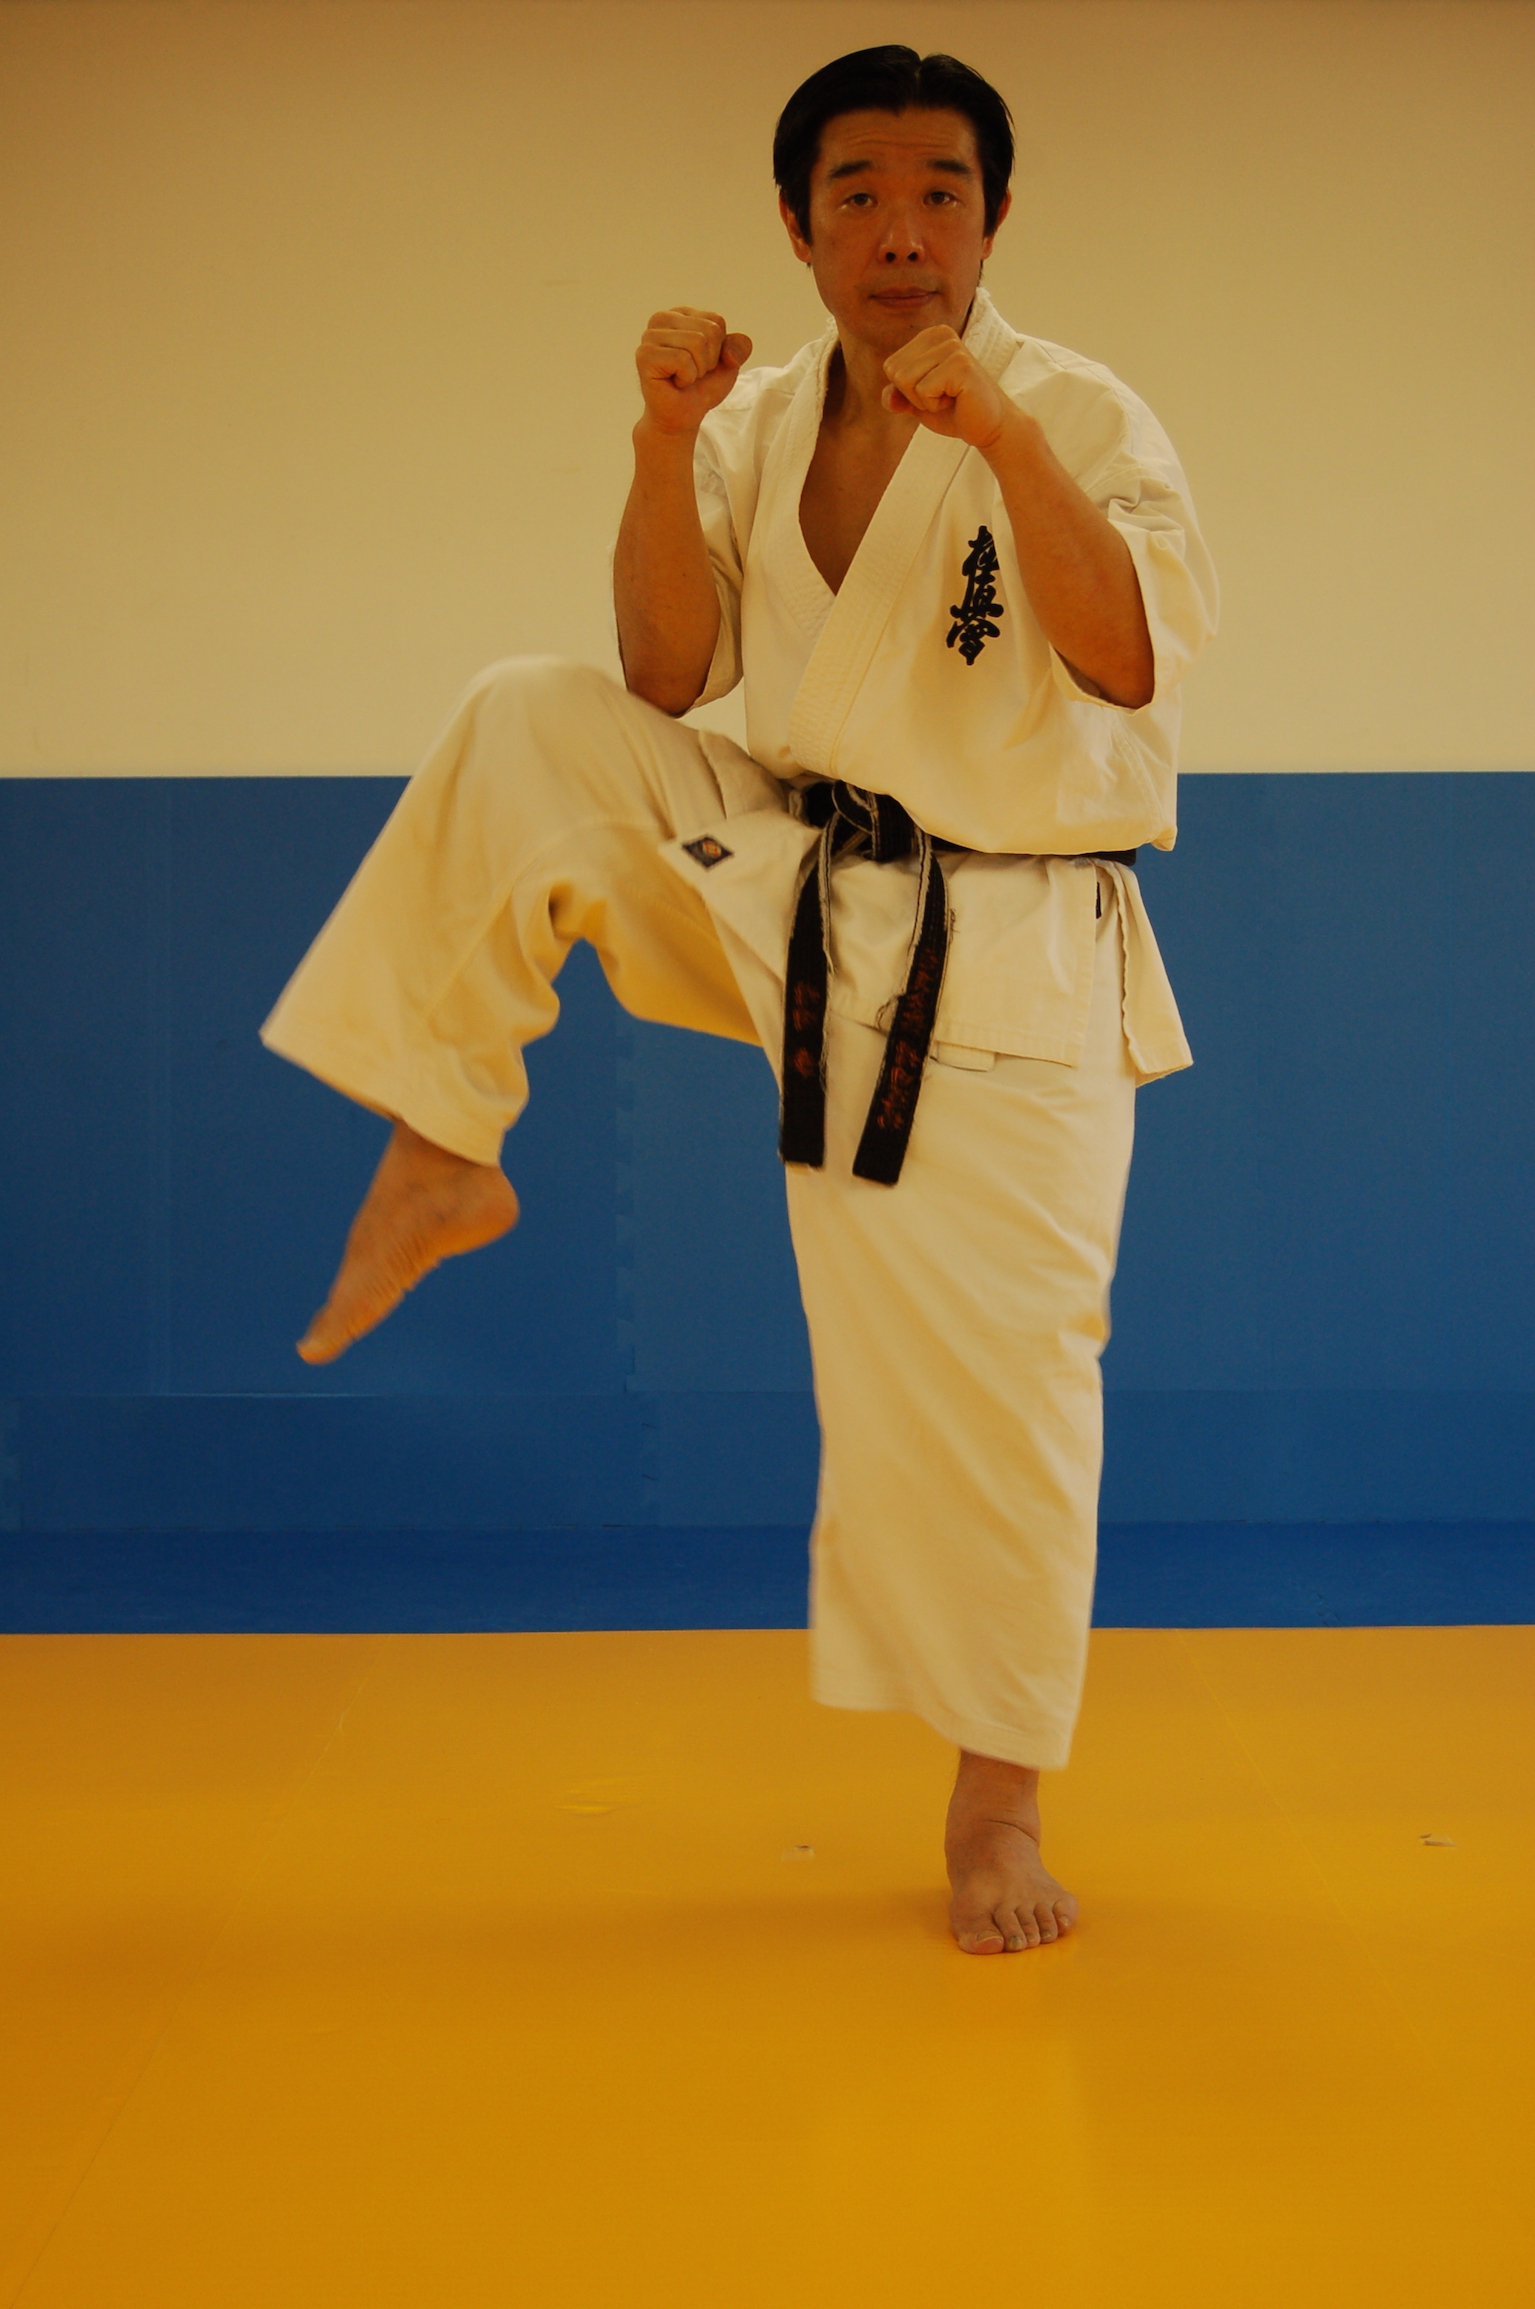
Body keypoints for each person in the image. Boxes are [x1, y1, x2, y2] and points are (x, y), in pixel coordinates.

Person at [261, 46, 1217, 1955]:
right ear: (796, 226)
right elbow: (659, 670)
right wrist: (655, 440)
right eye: (858, 194)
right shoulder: (760, 423)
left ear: (995, 219)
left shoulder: (1085, 412)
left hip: (1009, 946)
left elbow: (1127, 659)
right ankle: (447, 1138)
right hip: (792, 888)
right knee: (528, 717)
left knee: (1010, 1393)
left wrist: (1003, 444)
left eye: (941, 192)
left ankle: (996, 1806)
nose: (902, 231)